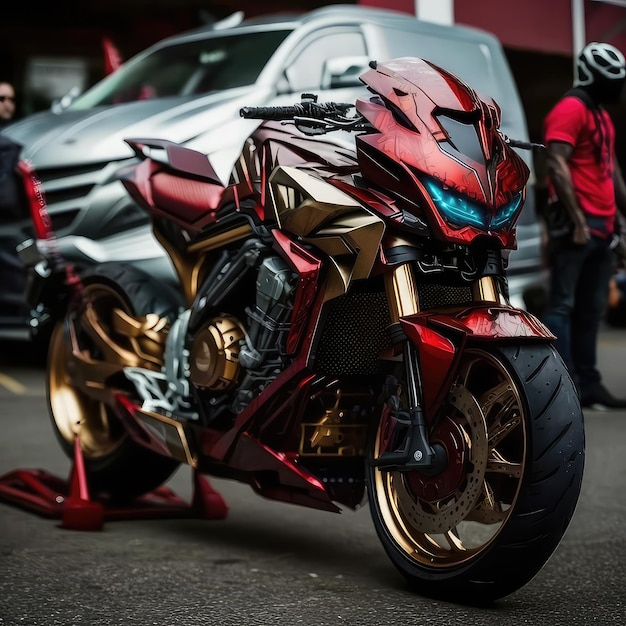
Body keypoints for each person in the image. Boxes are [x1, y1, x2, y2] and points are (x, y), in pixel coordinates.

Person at [542, 41, 626, 410]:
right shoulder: (570, 109)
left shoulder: (602, 116)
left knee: (592, 310)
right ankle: (565, 386)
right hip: (578, 225)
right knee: (562, 305)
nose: (619, 87)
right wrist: (577, 222)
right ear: (594, 77)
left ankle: (589, 385)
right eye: (613, 79)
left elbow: (612, 171)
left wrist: (621, 222)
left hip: (604, 227)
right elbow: (556, 165)